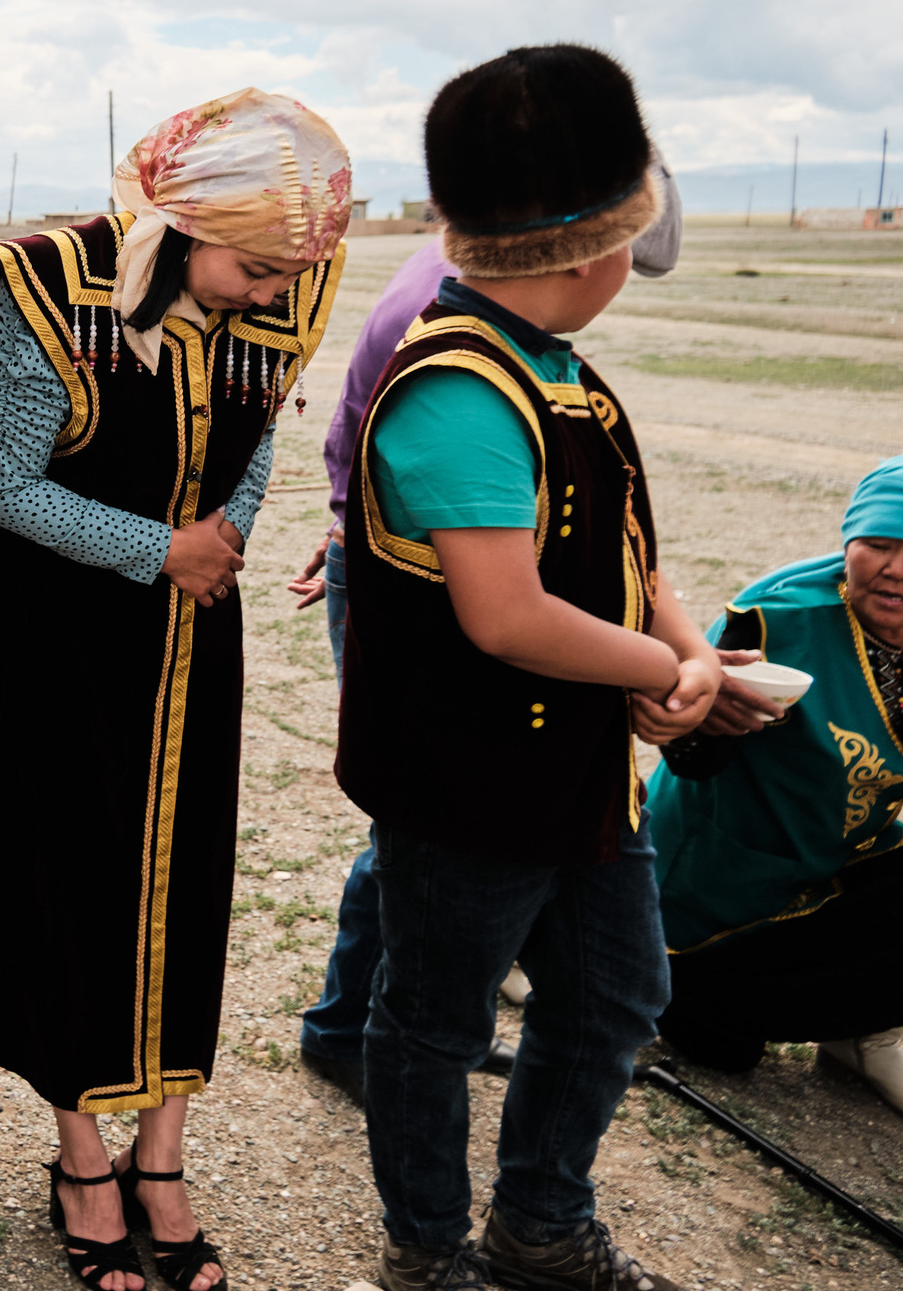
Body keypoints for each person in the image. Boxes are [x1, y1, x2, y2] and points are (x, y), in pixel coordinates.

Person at [336, 46, 719, 1291]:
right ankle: (427, 1244)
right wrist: (651, 668)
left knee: (616, 996)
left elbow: (620, 550)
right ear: (602, 246)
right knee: (435, 1023)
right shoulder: (459, 386)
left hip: (577, 783)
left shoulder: (552, 366)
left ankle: (541, 1218)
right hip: (470, 788)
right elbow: (504, 613)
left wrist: (684, 643)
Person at [0, 89, 351, 1291]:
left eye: (288, 276)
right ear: (180, 226)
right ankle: (80, 1154)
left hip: (193, 631)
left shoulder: (280, 291)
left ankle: (160, 1152)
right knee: (68, 883)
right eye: (253, 269)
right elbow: (4, 482)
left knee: (188, 879)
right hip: (63, 638)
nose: (271, 296)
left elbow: (256, 431)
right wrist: (157, 549)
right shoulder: (46, 290)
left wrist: (225, 534)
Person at [288, 162, 685, 1106]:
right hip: (437, 579)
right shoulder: (467, 328)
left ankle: (378, 1011)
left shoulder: (495, 300)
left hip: (436, 554)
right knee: (428, 824)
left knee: (432, 833)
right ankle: (358, 1027)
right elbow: (479, 562)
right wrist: (663, 662)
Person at [648, 453, 903, 1131]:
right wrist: (706, 718)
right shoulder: (771, 622)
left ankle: (862, 1039)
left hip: (833, 852)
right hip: (712, 868)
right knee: (722, 1051)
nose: (896, 568)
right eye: (877, 544)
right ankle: (615, 961)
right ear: (848, 545)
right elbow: (692, 763)